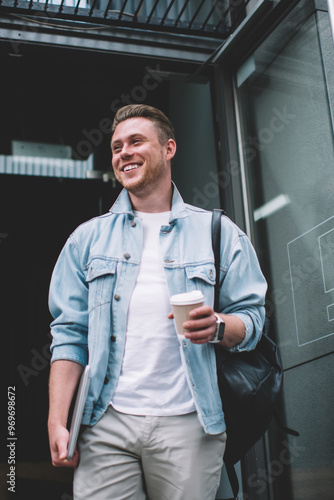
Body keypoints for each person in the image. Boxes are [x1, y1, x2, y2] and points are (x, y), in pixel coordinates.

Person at [48, 104, 267, 500]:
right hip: (105, 423)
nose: (123, 153)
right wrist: (57, 419)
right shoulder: (86, 240)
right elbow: (68, 335)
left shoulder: (218, 232)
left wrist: (218, 326)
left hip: (190, 422)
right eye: (116, 147)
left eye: (136, 142)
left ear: (168, 148)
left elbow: (253, 319)